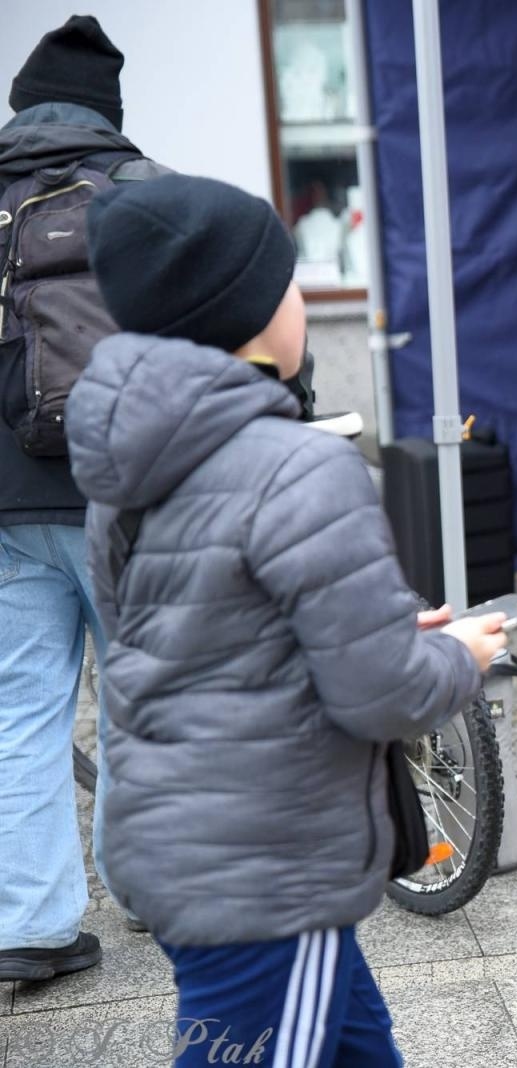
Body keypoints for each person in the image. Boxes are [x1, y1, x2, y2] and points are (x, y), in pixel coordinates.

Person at [66, 173, 505, 1065]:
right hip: (269, 869)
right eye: (290, 281)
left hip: (181, 838)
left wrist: (378, 636)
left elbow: (185, 639)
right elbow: (383, 695)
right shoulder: (301, 468)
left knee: (356, 1048)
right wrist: (458, 654)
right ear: (252, 315)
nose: (301, 299)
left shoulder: (131, 473)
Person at [0, 13, 167, 982]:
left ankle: (30, 924)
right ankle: (145, 890)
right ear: (107, 110)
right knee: (137, 695)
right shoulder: (145, 193)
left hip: (9, 506)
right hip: (124, 491)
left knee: (20, 709)